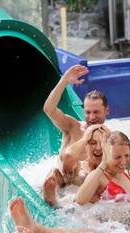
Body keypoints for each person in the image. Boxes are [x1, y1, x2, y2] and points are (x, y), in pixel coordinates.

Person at [42, 64, 110, 205]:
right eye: (88, 112)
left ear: (106, 111)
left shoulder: (109, 138)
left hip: (83, 194)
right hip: (61, 185)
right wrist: (64, 81)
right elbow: (49, 109)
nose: (91, 117)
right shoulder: (72, 126)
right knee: (52, 175)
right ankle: (52, 200)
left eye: (96, 112)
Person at [44, 125, 109, 206]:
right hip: (72, 208)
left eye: (103, 143)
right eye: (93, 143)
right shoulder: (78, 168)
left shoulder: (116, 168)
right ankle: (53, 202)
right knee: (55, 173)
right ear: (86, 145)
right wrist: (85, 139)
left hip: (99, 212)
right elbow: (68, 156)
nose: (99, 148)